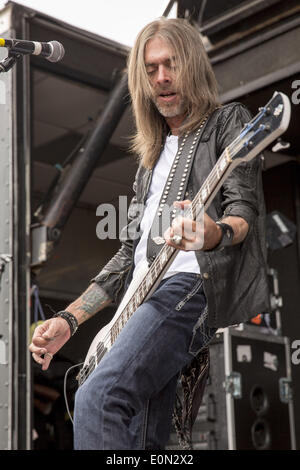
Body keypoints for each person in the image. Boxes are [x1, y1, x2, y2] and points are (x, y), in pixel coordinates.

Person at [29, 17, 269, 450]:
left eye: (171, 64)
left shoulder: (227, 123)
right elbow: (126, 259)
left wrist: (210, 234)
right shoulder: (149, 163)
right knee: (144, 441)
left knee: (98, 398)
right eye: (151, 69)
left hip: (189, 285)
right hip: (141, 300)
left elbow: (243, 215)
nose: (161, 78)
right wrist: (70, 319)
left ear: (192, 66)